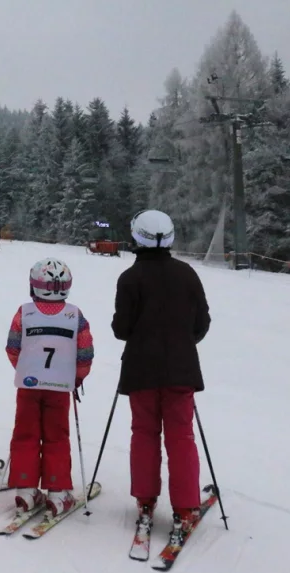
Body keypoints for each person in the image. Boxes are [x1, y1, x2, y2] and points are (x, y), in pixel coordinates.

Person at [112, 209, 211, 538]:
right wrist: (182, 341)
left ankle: (144, 499)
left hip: (140, 369)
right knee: (181, 437)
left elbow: (121, 328)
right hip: (181, 369)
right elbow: (202, 324)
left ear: (136, 236)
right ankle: (185, 507)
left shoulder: (130, 278)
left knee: (144, 433)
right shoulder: (187, 274)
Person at [5, 258, 94, 517]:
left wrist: (25, 370)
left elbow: (12, 347)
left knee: (25, 433)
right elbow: (85, 352)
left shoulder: (25, 313)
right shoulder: (75, 316)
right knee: (57, 436)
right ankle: (57, 492)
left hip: (29, 386)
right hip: (59, 387)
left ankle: (25, 488)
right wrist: (77, 378)